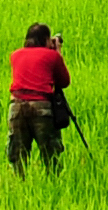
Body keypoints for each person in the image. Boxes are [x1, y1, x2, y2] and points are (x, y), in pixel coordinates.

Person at [7, 22, 73, 175]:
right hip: (41, 107)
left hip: (16, 107)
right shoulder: (52, 56)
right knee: (51, 154)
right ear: (45, 39)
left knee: (18, 156)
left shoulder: (15, 55)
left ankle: (19, 186)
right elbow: (64, 81)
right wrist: (57, 52)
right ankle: (53, 183)